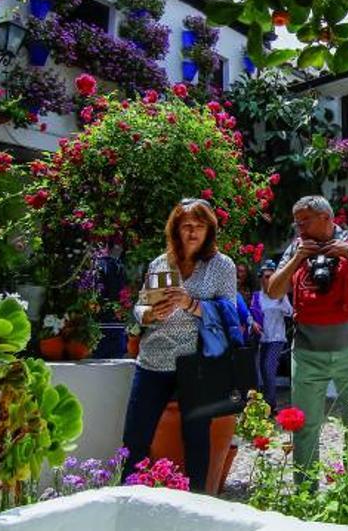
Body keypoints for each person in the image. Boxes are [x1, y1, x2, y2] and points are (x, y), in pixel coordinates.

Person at [266, 195, 348, 475]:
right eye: (297, 222)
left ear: (326, 217)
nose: (299, 227)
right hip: (306, 354)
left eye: (305, 221)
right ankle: (305, 492)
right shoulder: (297, 248)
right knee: (304, 428)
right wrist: (297, 258)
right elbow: (274, 291)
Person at [120, 198, 238, 491]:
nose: (193, 231)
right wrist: (149, 314)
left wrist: (190, 303)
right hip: (153, 358)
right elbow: (140, 307)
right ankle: (128, 497)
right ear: (175, 229)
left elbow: (230, 313)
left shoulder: (221, 265)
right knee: (135, 436)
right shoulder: (161, 263)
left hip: (196, 362)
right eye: (186, 226)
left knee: (197, 438)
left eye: (199, 225)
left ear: (209, 230)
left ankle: (196, 502)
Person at [254, 260, 291, 410]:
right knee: (261, 370)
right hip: (262, 339)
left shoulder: (280, 295)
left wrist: (281, 301)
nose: (269, 279)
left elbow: (289, 312)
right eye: (266, 276)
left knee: (269, 367)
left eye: (271, 276)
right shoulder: (257, 296)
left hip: (277, 338)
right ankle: (265, 401)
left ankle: (270, 404)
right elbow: (253, 314)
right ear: (261, 278)